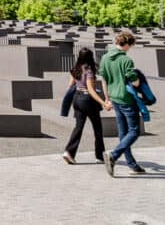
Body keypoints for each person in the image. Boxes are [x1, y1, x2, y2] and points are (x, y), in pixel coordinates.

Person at [99, 31, 145, 177]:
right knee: (134, 131)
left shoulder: (105, 58)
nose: (129, 49)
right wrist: (139, 81)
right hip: (127, 99)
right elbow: (135, 81)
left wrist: (107, 98)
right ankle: (113, 155)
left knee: (123, 132)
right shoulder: (126, 60)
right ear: (126, 44)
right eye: (130, 46)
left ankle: (132, 164)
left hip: (114, 98)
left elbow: (104, 79)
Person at [62, 48, 108, 165]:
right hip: (87, 100)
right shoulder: (89, 71)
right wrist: (103, 103)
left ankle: (69, 152)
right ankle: (100, 156)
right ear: (90, 57)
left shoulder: (75, 68)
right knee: (97, 128)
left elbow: (70, 86)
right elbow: (91, 91)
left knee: (78, 127)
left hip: (76, 99)